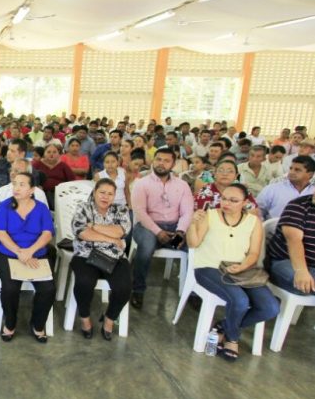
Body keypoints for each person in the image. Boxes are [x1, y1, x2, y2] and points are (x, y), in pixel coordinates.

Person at [186, 183, 278, 362]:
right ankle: (232, 339)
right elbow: (193, 243)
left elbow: (253, 254)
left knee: (271, 307)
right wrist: (191, 223)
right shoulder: (210, 215)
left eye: (233, 200)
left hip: (241, 270)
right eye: (224, 198)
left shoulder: (253, 222)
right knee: (240, 301)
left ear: (245, 202)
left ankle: (224, 327)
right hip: (208, 267)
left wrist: (242, 266)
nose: (226, 203)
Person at [0, 172, 55, 343]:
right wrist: (20, 253)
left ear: (32, 189)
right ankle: (10, 324)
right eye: (15, 184)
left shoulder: (41, 208)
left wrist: (30, 251)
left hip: (36, 255)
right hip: (8, 254)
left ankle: (38, 324)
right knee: (10, 288)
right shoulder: (4, 206)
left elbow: (47, 234)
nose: (16, 188)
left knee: (48, 289)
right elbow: (1, 234)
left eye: (22, 185)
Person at [0, 159, 50, 306]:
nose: (13, 173)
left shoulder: (39, 194)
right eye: (12, 170)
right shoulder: (2, 191)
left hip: (32, 240)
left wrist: (28, 249)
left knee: (50, 251)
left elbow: (45, 225)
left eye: (18, 170)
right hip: (6, 237)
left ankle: (42, 286)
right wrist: (14, 244)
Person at [130, 148, 194, 309]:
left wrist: (180, 232)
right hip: (147, 226)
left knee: (197, 246)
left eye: (166, 161)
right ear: (153, 161)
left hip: (175, 227)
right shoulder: (142, 183)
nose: (161, 163)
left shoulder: (183, 185)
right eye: (158, 159)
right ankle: (137, 289)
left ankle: (193, 292)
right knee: (146, 246)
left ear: (173, 163)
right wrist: (158, 231)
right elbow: (140, 212)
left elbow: (187, 212)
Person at [70, 178, 132, 340]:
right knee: (84, 283)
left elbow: (120, 231)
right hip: (86, 255)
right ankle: (85, 319)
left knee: (124, 287)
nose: (105, 197)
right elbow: (82, 232)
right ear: (95, 192)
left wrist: (94, 226)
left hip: (115, 257)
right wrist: (110, 239)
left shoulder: (121, 210)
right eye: (102, 192)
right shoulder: (83, 208)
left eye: (110, 194)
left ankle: (109, 319)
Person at [267, 193, 315, 296]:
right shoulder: (298, 206)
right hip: (284, 261)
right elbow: (294, 241)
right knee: (304, 283)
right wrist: (301, 271)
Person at [256, 155, 315, 220]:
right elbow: (257, 212)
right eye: (291, 168)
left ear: (310, 174)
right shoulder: (272, 189)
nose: (291, 172)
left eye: (297, 170)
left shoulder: (313, 192)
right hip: (273, 229)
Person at [32, 143, 76, 209]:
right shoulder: (37, 165)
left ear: (59, 154)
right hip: (41, 194)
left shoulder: (63, 165)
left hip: (61, 194)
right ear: (44, 153)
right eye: (48, 152)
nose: (51, 154)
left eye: (54, 152)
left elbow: (72, 180)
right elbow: (29, 179)